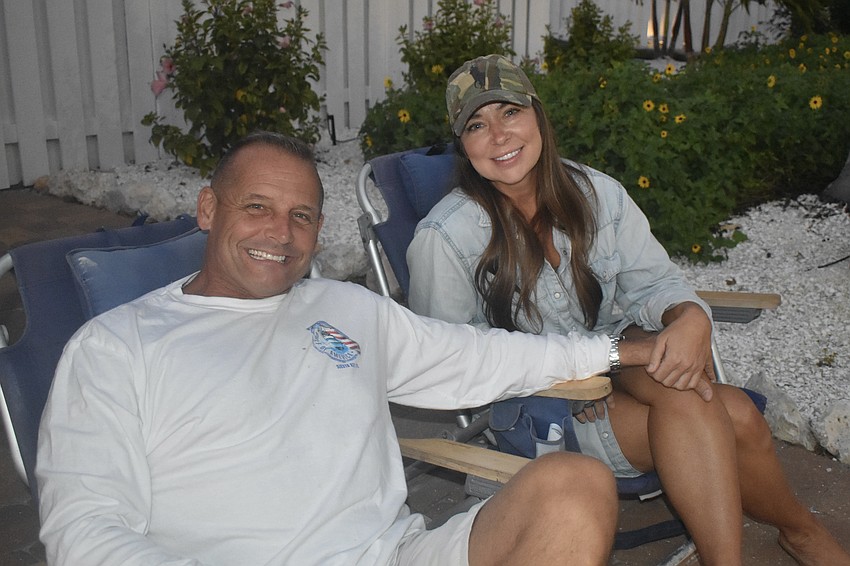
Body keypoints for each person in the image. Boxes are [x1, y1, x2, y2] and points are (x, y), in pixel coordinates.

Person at [35, 131, 660, 565]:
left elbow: (478, 356)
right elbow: (85, 532)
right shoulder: (115, 348)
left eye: (301, 216)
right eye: (257, 208)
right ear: (208, 208)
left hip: (393, 555)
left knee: (577, 486)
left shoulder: (346, 309)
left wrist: (613, 351)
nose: (279, 234)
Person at [406, 54, 850, 566]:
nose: (499, 135)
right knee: (733, 416)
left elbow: (656, 282)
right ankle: (800, 532)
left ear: (538, 116)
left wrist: (690, 317)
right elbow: (453, 362)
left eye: (510, 113)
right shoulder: (446, 239)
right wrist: (584, 374)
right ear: (462, 144)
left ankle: (785, 537)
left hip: (620, 364)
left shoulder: (596, 194)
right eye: (477, 125)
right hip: (546, 405)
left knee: (699, 396)